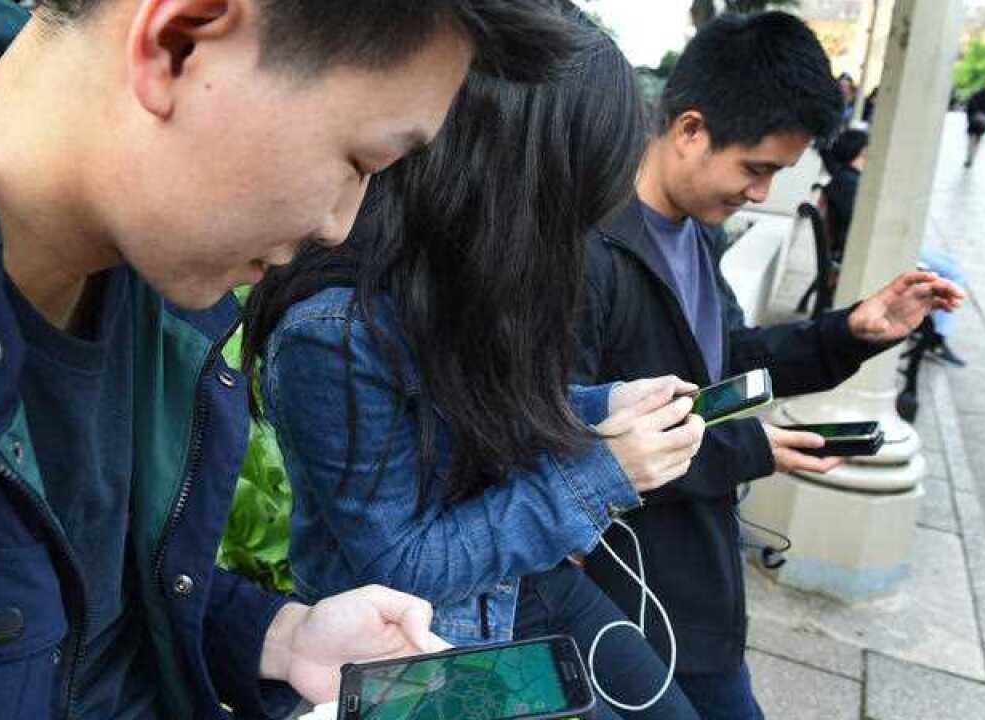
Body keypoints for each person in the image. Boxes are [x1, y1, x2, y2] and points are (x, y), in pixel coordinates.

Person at [0, 0, 584, 716]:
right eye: (361, 162)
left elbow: (84, 613)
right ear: (176, 42)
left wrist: (277, 639)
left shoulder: (141, 284)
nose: (340, 227)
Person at [243, 13, 706, 719]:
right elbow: (402, 566)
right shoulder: (334, 333)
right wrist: (603, 477)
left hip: (519, 587)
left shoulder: (472, 279)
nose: (577, 241)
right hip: (420, 644)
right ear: (514, 187)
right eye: (569, 211)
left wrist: (600, 406)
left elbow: (487, 411)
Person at [570, 12, 966, 720]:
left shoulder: (693, 232)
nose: (761, 195)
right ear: (690, 128)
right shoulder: (589, 252)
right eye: (757, 170)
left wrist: (851, 332)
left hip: (701, 585)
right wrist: (752, 449)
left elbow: (735, 362)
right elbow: (575, 444)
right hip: (632, 597)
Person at [823, 128, 969, 367]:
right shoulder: (851, 184)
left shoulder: (847, 180)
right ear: (862, 151)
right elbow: (866, 229)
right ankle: (936, 338)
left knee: (951, 265)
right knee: (953, 274)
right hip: (872, 251)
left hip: (868, 247)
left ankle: (935, 335)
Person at [965, 79, 985, 168]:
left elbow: (969, 109)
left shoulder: (975, 96)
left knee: (971, 141)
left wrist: (970, 118)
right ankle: (972, 158)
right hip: (982, 124)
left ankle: (969, 157)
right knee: (977, 141)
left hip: (973, 122)